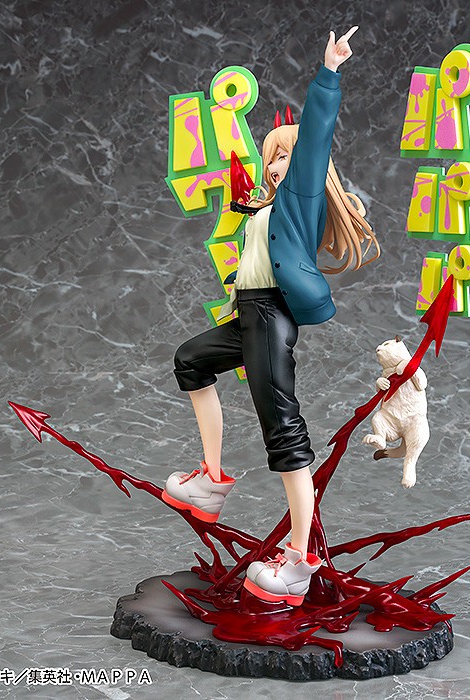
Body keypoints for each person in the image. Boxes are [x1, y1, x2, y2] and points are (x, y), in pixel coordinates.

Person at [162, 26, 380, 606]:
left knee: (282, 432)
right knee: (190, 360)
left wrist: (328, 72)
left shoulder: (300, 200)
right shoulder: (263, 206)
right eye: (271, 157)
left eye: (285, 155)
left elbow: (316, 135)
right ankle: (210, 481)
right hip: (248, 314)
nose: (277, 164)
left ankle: (300, 562)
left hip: (270, 318)